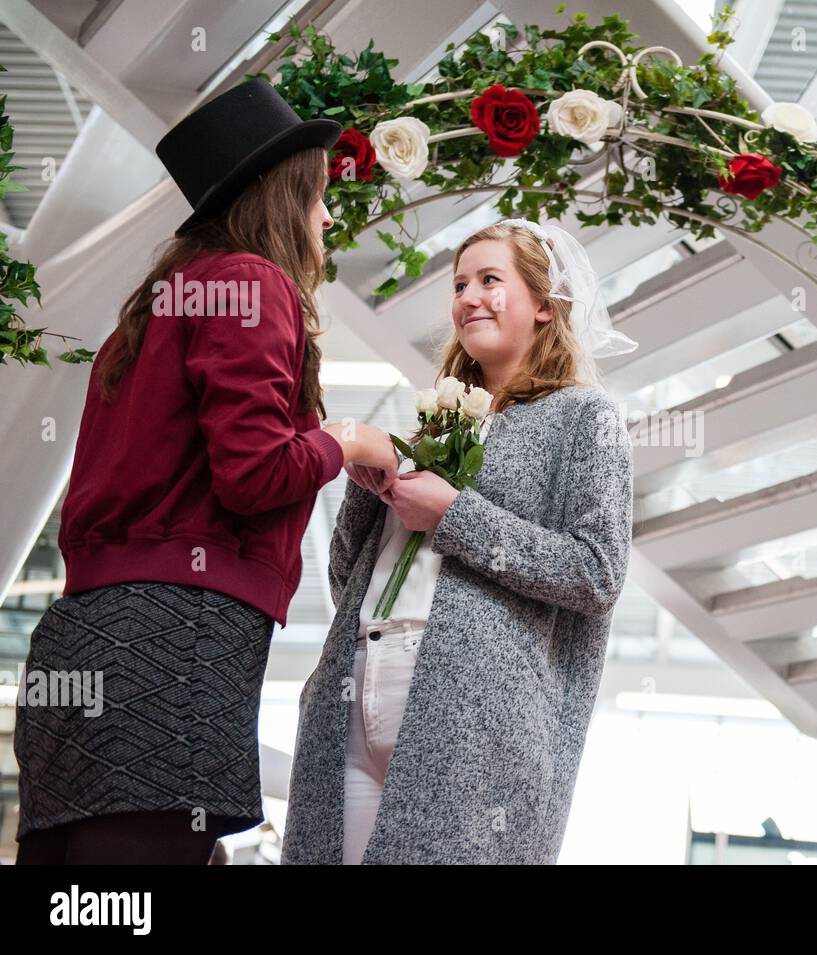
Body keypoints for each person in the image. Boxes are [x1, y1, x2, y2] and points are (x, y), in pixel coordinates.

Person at [13, 79, 398, 865]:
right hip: (173, 638)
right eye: (320, 195)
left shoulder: (159, 300)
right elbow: (255, 472)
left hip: (85, 637)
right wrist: (350, 439)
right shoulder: (253, 285)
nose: (328, 217)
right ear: (283, 197)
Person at [281, 218, 637, 864]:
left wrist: (455, 515)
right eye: (460, 284)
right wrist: (369, 486)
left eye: (491, 280)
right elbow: (344, 585)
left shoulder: (585, 417)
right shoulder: (433, 419)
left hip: (467, 712)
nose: (469, 296)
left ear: (543, 305)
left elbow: (597, 572)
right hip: (353, 680)